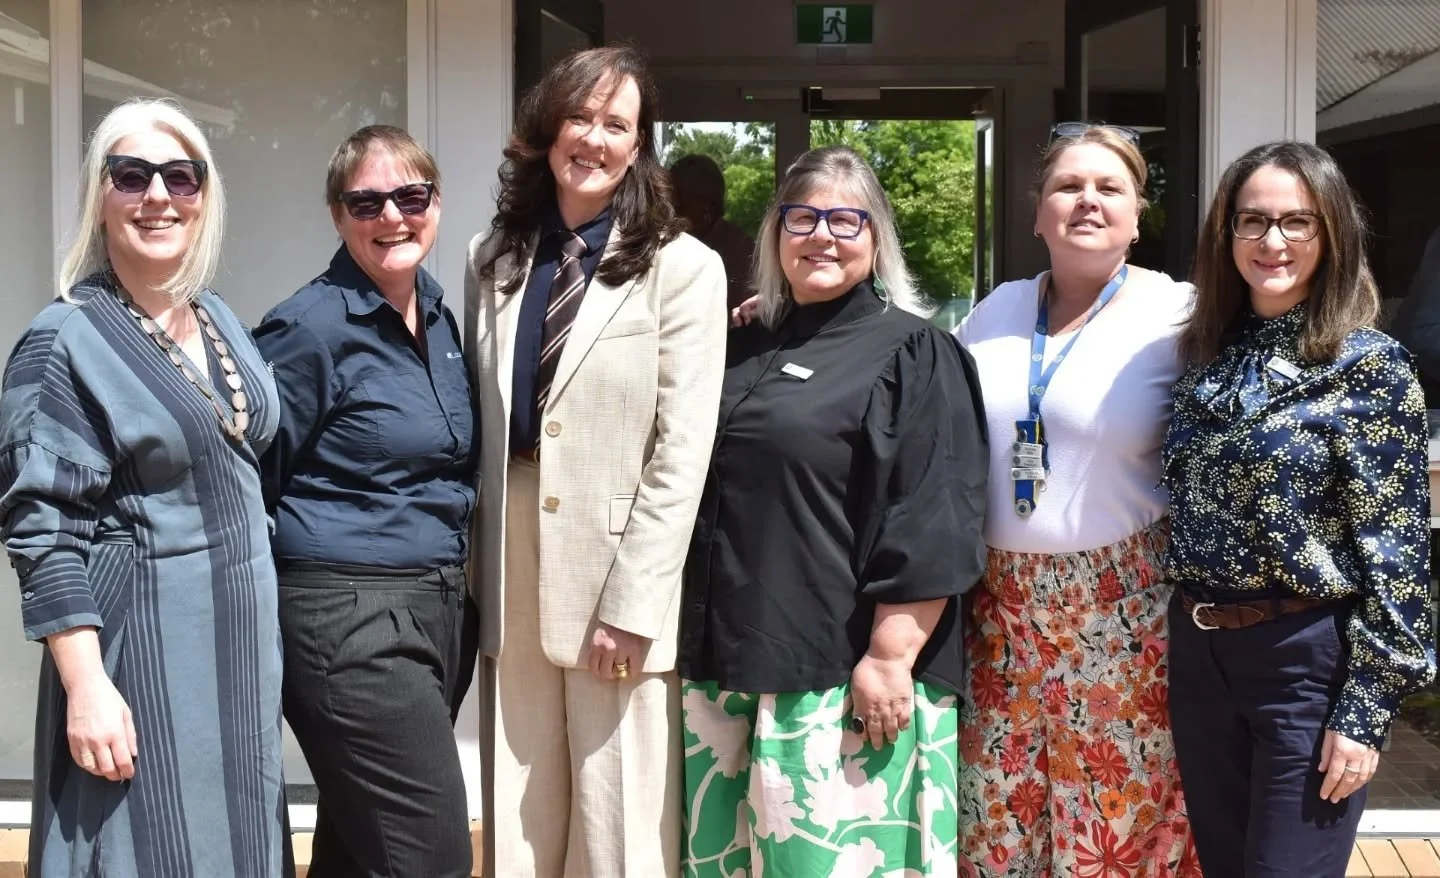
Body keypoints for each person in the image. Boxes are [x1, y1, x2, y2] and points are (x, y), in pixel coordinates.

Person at [679, 145, 988, 876]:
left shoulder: (915, 352)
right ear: (774, 235)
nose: (823, 235)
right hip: (723, 672)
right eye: (803, 217)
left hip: (837, 681)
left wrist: (889, 657)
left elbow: (934, 513)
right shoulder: (741, 343)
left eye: (847, 220)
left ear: (876, 238)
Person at [0, 98, 284, 876]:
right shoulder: (63, 341)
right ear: (100, 196)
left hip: (238, 654)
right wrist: (87, 688)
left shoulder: (219, 319)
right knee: (147, 848)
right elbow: (44, 531)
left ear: (204, 196)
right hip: (146, 655)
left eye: (180, 177)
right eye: (132, 175)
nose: (158, 196)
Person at [464, 45, 727, 876]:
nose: (595, 138)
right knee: (517, 814)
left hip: (617, 576)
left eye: (617, 124)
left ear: (639, 144)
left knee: (619, 827)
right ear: (547, 131)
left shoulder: (683, 269)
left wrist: (636, 599)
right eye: (580, 117)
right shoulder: (494, 257)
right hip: (511, 565)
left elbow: (682, 450)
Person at [1162, 140, 1438, 876]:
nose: (1271, 241)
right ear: (1226, 235)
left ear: (1332, 234)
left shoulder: (1369, 367)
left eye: (1297, 222)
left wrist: (1365, 712)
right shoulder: (1205, 356)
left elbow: (1400, 557)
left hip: (1303, 660)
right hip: (1199, 655)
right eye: (1251, 221)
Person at [954, 123, 1200, 876]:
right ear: (1037, 214)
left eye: (1109, 188)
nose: (1086, 201)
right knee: (995, 837)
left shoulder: (1181, 313)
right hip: (1000, 625)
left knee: (1115, 842)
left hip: (1127, 625)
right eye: (1068, 186)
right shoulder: (992, 313)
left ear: (1137, 214)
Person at [251, 125, 477, 877]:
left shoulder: (442, 320)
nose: (392, 217)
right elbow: (250, 477)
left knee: (358, 849)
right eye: (367, 201)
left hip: (436, 611)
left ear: (436, 204)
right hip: (346, 619)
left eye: (410, 196)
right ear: (337, 213)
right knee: (431, 857)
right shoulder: (308, 328)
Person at [670, 153, 756, 309]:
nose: (672, 208)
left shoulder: (737, 249)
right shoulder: (669, 245)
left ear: (707, 205)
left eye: (679, 197)